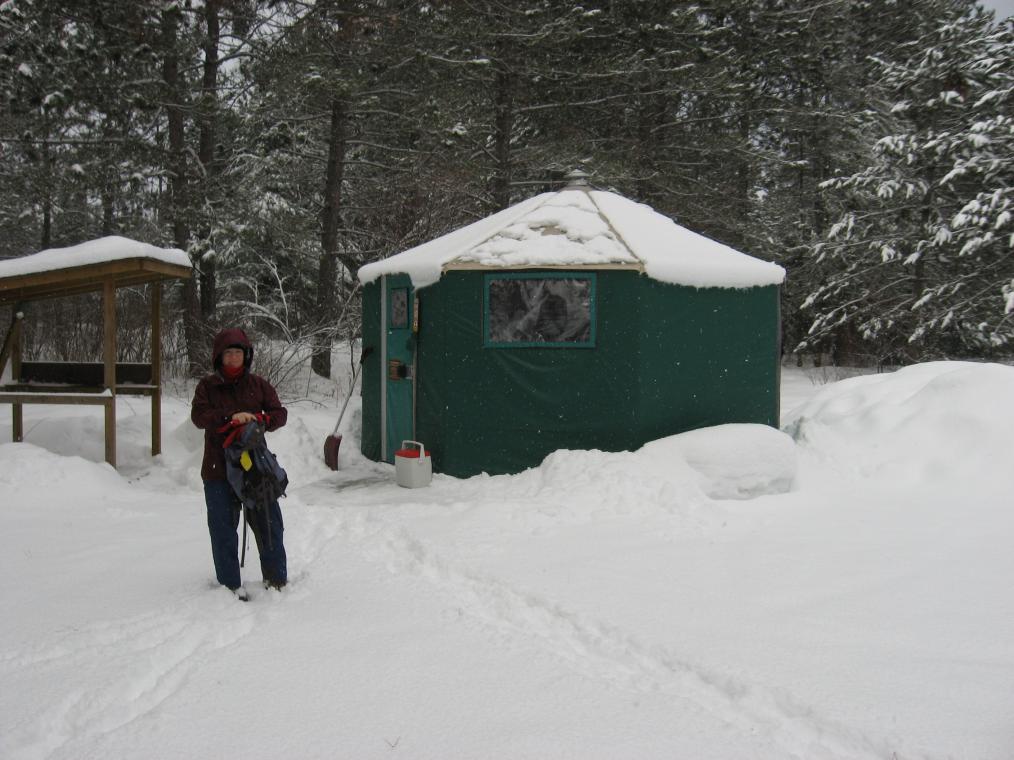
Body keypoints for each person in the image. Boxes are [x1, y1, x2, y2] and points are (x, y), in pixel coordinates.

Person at [191, 328, 288, 600]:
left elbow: (280, 414)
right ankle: (229, 586)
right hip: (218, 469)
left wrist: (259, 420)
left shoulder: (258, 385)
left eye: (238, 352)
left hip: (255, 468)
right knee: (222, 528)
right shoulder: (207, 387)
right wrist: (230, 418)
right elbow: (199, 417)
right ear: (219, 357)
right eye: (228, 353)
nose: (234, 358)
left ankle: (276, 579)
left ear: (247, 356)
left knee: (269, 524)